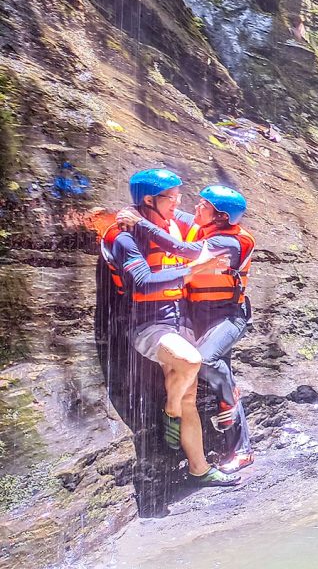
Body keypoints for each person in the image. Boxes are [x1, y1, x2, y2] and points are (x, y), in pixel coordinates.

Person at [100, 169, 239, 487]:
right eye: (172, 197)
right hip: (148, 326)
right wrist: (193, 270)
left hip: (182, 322)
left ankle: (199, 469)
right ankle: (170, 407)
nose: (179, 202)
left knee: (189, 396)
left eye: (179, 195)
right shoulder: (122, 236)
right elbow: (143, 282)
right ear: (149, 199)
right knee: (191, 361)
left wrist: (196, 259)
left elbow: (204, 249)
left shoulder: (174, 224)